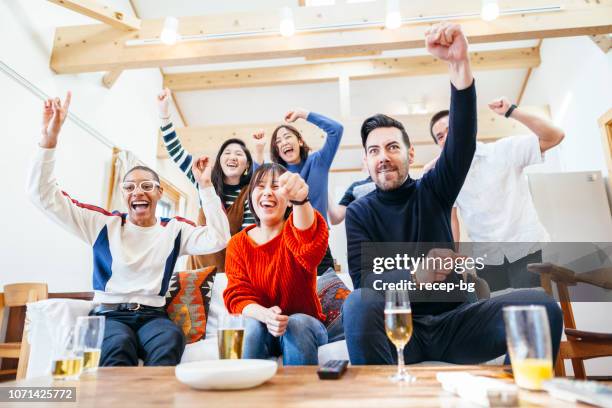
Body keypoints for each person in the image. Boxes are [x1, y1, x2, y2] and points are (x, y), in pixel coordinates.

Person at [342, 22, 562, 365]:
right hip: (400, 330)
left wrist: (459, 66)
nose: (383, 157)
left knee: (541, 303)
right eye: (373, 151)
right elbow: (365, 280)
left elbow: (459, 143)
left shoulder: (434, 189)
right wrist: (418, 274)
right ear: (366, 161)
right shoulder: (359, 211)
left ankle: (518, 392)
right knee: (358, 303)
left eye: (391, 147)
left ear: (410, 154)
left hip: (456, 325)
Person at [28, 93, 231, 366]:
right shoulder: (102, 224)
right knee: (118, 345)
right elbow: (44, 196)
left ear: (159, 193)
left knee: (170, 339)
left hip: (153, 317)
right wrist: (48, 140)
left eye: (147, 186)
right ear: (123, 194)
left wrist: (205, 186)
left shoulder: (174, 230)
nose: (139, 191)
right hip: (108, 315)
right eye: (130, 187)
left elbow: (218, 238)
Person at [427, 97, 565, 291]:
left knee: (532, 313)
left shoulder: (503, 150)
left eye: (451, 129)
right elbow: (452, 219)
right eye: (440, 136)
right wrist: (452, 257)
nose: (447, 137)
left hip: (526, 249)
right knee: (496, 316)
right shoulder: (448, 177)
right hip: (487, 259)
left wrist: (512, 111)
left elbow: (555, 136)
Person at [223, 164, 329, 365]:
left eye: (275, 186)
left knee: (295, 323)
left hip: (306, 327)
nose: (267, 193)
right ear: (251, 197)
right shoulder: (237, 244)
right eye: (260, 186)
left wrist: (301, 200)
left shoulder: (295, 231)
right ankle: (245, 391)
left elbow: (309, 242)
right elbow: (237, 296)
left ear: (289, 201)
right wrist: (266, 315)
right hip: (262, 327)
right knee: (252, 326)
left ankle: (300, 395)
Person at [157, 88, 255, 271]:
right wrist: (164, 114)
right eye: (227, 153)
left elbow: (248, 238)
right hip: (196, 271)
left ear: (247, 164)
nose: (232, 157)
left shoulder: (250, 194)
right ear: (219, 161)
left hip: (231, 273)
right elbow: (176, 151)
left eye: (239, 154)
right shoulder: (204, 182)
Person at [252, 108, 343, 274]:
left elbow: (336, 130)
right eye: (278, 142)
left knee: (328, 294)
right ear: (277, 151)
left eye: (287, 137)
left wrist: (303, 114)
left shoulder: (319, 161)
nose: (283, 142)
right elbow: (256, 183)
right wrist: (258, 150)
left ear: (300, 141)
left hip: (318, 242)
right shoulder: (279, 174)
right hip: (288, 244)